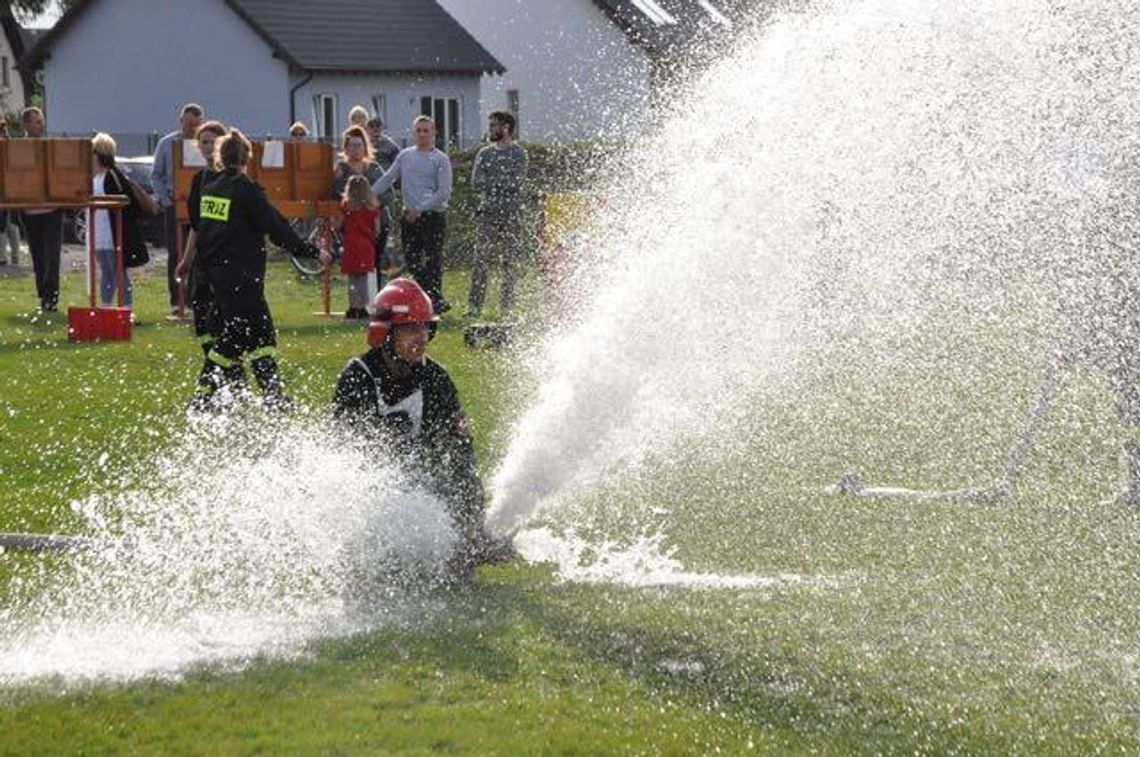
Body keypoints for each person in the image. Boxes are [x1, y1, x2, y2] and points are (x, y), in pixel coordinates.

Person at [333, 277, 508, 578]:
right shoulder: (358, 377)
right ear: (386, 333)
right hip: (369, 498)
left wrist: (472, 525)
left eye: (426, 327)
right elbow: (345, 457)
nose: (422, 337)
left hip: (421, 489)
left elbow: (460, 457)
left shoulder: (436, 380)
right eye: (412, 328)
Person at [190, 128, 330, 411]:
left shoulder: (211, 188)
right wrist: (314, 252)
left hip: (216, 278)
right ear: (247, 158)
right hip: (241, 279)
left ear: (220, 156)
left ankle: (272, 395)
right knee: (237, 337)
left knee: (261, 336)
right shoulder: (245, 189)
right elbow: (276, 227)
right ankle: (204, 394)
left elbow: (199, 226)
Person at [371, 116, 453, 313]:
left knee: (433, 259)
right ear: (413, 133)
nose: (422, 134)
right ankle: (434, 297)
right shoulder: (405, 156)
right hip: (410, 217)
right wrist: (367, 194)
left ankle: (434, 300)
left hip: (433, 216)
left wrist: (421, 209)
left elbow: (444, 192)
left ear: (434, 133)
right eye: (419, 130)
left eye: (426, 130)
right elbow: (388, 178)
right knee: (412, 260)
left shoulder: (440, 159)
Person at [174, 120, 231, 365]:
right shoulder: (199, 180)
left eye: (213, 141)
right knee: (201, 315)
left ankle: (224, 367)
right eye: (203, 142)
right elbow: (196, 226)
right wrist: (186, 261)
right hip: (204, 260)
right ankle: (215, 364)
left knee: (222, 317)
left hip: (228, 260)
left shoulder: (231, 178)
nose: (208, 146)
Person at [469, 110, 529, 318]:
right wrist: (503, 181)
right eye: (491, 124)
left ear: (506, 128)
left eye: (494, 125)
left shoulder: (519, 154)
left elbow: (517, 182)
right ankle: (475, 307)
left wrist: (493, 182)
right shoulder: (484, 153)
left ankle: (507, 308)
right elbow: (476, 183)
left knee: (510, 262)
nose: (490, 129)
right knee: (481, 261)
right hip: (488, 215)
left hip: (512, 215)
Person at [151, 102, 204, 317]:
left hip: (199, 207)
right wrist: (166, 201)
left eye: (197, 126)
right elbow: (156, 175)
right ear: (181, 121)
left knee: (198, 254)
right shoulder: (166, 144)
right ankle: (176, 301)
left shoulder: (204, 144)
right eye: (190, 125)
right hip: (175, 205)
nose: (193, 130)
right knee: (176, 253)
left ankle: (193, 301)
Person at [89, 133, 148, 311]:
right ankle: (106, 308)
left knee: (120, 273)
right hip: (99, 233)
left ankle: (126, 309)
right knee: (106, 272)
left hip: (114, 233)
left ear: (99, 153)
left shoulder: (113, 175)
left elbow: (128, 203)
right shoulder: (95, 177)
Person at [20, 107, 63, 312]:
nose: (41, 124)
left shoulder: (50, 147)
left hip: (52, 211)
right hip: (30, 212)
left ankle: (51, 298)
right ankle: (43, 296)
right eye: (36, 121)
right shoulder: (16, 149)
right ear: (26, 124)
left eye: (41, 120)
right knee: (38, 256)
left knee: (52, 256)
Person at [339, 175, 380, 319]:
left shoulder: (347, 207)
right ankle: (363, 306)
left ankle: (353, 307)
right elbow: (377, 229)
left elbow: (339, 224)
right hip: (366, 245)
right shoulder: (372, 208)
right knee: (363, 278)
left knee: (352, 278)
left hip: (351, 244)